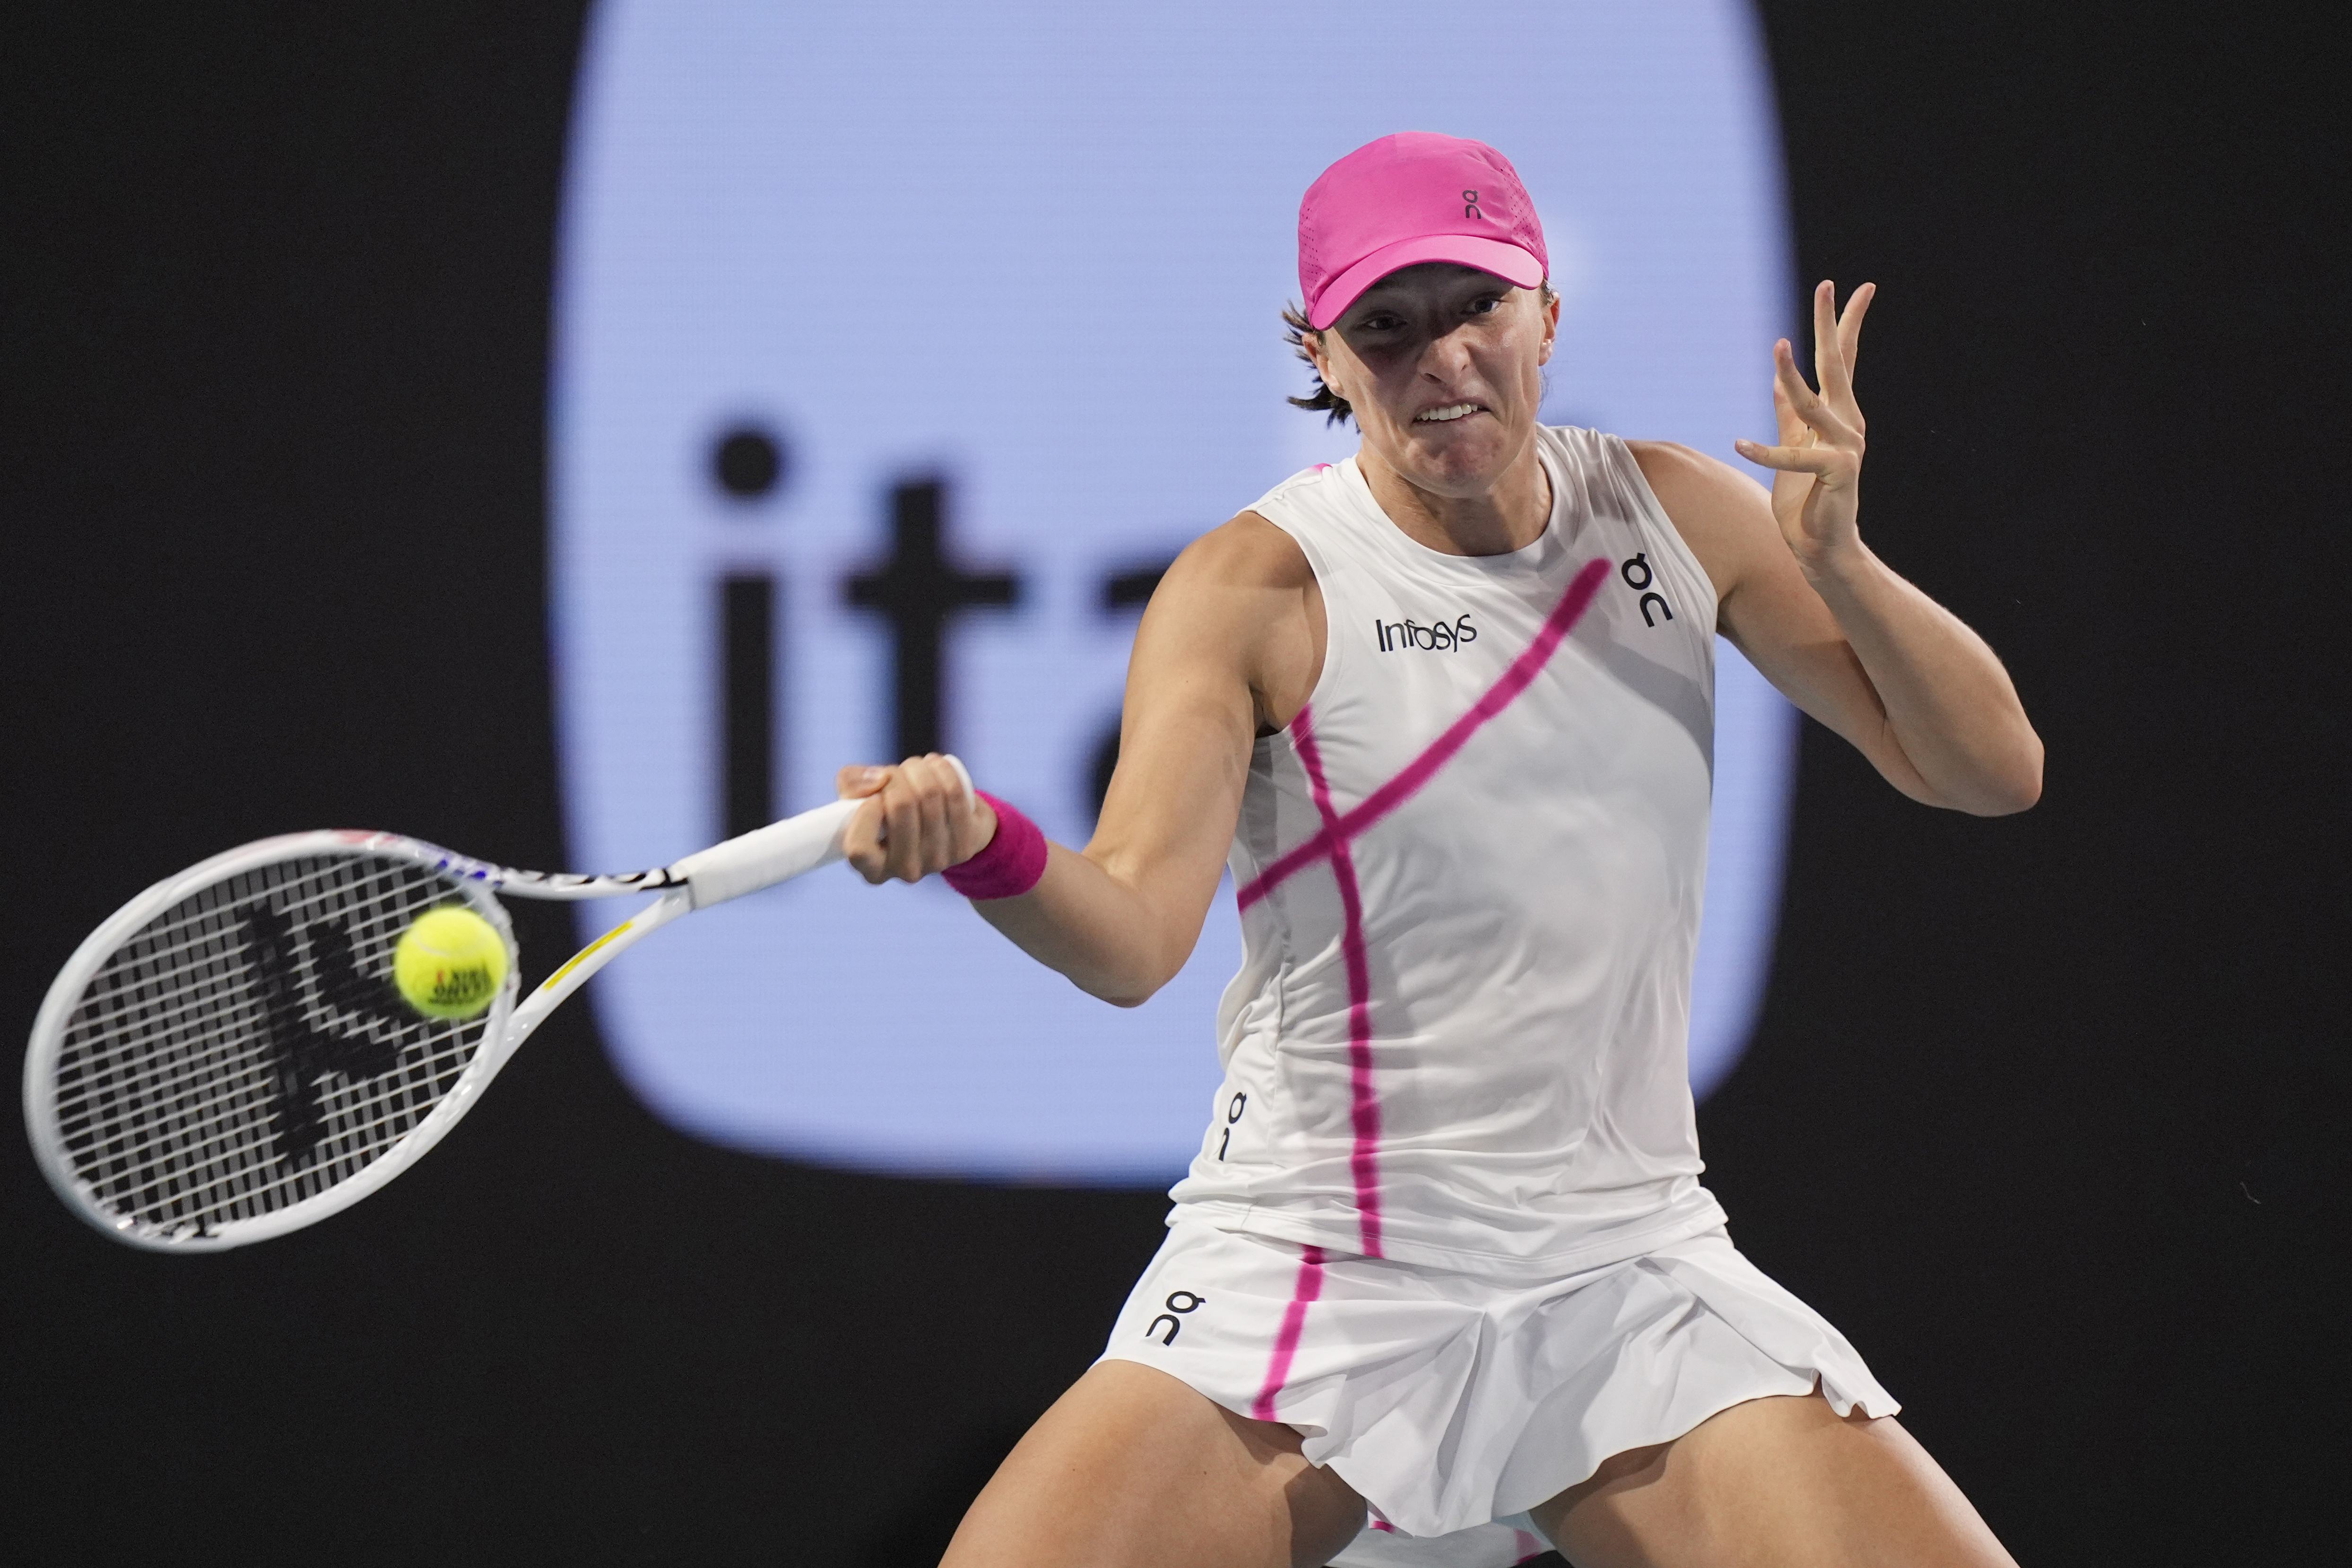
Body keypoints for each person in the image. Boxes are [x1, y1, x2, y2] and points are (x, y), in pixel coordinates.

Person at [835, 132, 2040, 1568]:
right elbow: (1135, 938)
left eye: (1477, 306)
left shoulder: (1673, 516)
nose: (1441, 359)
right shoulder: (1254, 587)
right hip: (1318, 1263)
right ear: (1323, 354)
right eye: (1385, 328)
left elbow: (1991, 773)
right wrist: (981, 841)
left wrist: (1842, 559)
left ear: (1547, 312)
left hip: (1622, 1261)